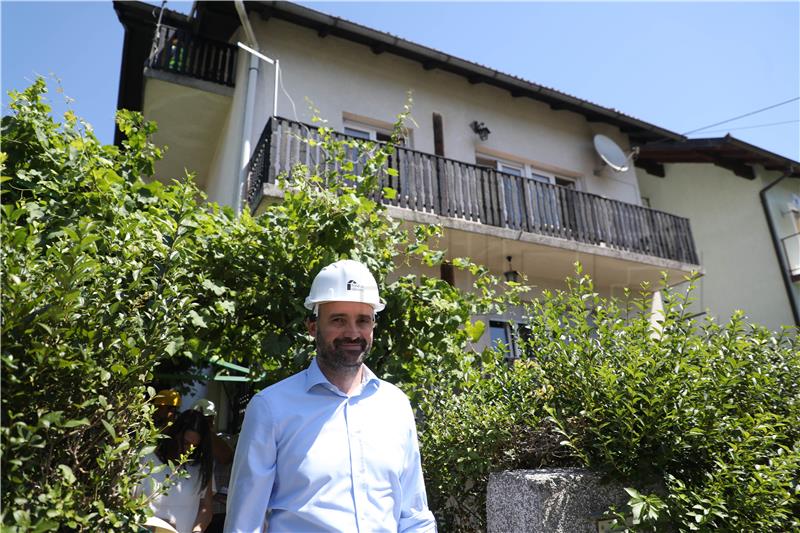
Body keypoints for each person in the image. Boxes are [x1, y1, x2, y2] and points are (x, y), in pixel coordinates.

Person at [224, 259, 436, 532]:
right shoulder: (270, 408)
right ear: (313, 327)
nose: (352, 333)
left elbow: (415, 516)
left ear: (373, 326)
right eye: (338, 320)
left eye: (363, 320)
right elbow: (244, 523)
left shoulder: (395, 406)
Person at [138, 409, 215, 533]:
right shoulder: (147, 458)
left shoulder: (201, 468)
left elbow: (206, 507)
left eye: (194, 446)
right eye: (185, 442)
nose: (187, 450)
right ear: (175, 434)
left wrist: (197, 531)